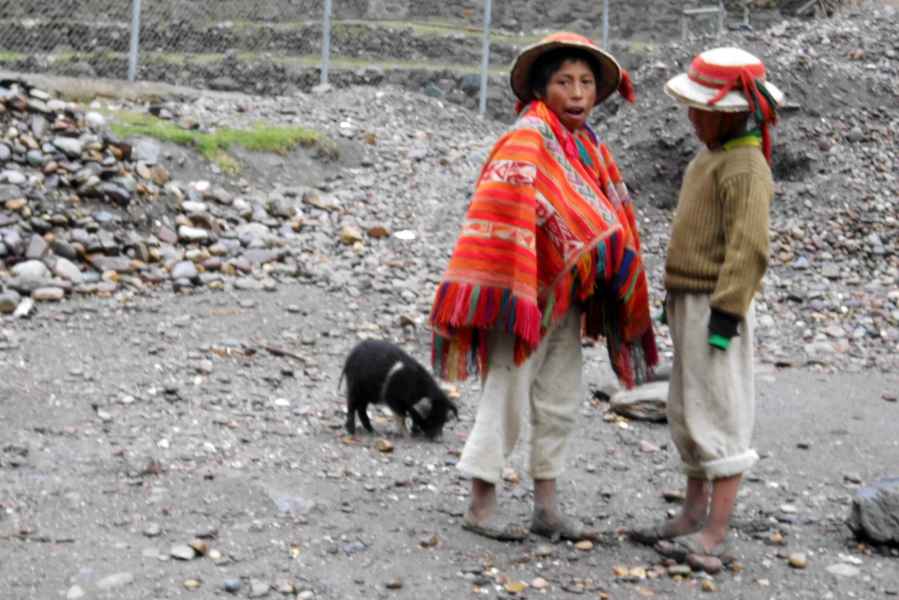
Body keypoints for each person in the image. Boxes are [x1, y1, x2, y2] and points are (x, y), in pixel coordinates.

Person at [430, 32, 658, 542]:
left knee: (559, 398)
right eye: (563, 82)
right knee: (506, 393)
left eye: (585, 82)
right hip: (520, 296)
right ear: (541, 88)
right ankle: (481, 504)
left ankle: (546, 506)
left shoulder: (591, 148)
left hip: (566, 300)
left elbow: (605, 217)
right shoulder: (528, 137)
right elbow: (504, 208)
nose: (577, 93)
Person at [629, 47, 783, 571]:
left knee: (721, 411)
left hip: (717, 307)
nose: (692, 119)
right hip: (690, 301)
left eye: (699, 110)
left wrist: (726, 314)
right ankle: (693, 514)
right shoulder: (713, 156)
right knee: (690, 406)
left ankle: (715, 532)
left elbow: (749, 248)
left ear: (728, 112)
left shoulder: (745, 167)